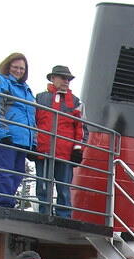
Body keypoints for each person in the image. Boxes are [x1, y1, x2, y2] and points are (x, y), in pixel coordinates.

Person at [0, 53, 36, 208]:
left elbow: (31, 116)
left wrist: (33, 141)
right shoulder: (0, 81)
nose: (19, 71)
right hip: (5, 137)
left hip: (22, 138)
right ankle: (2, 204)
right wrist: (2, 132)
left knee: (18, 173)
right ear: (8, 66)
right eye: (15, 67)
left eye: (22, 68)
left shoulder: (26, 89)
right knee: (4, 172)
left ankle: (8, 202)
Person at [34, 65, 84, 217]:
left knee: (64, 188)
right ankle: (44, 214)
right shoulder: (40, 98)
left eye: (68, 79)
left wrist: (77, 149)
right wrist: (33, 145)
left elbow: (81, 127)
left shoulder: (75, 101)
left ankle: (64, 216)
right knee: (43, 187)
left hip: (65, 153)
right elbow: (33, 122)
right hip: (43, 150)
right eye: (63, 78)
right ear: (52, 78)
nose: (66, 81)